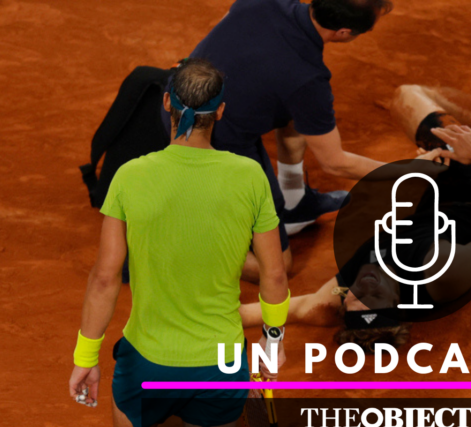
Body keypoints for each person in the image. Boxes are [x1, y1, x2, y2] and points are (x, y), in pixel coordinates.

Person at [68, 59, 291, 427]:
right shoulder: (248, 177)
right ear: (221, 113)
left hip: (144, 358)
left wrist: (86, 355)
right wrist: (272, 341)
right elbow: (274, 276)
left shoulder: (132, 177)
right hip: (218, 363)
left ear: (167, 105)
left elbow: (105, 277)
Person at [238, 81, 471, 350]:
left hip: (435, 201)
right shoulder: (442, 272)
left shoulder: (349, 291)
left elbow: (284, 310)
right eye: (373, 297)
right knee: (408, 97)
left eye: (354, 298)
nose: (362, 287)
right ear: (398, 301)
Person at [170, 0, 396, 281]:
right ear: (343, 32)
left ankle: (293, 200)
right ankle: (180, 237)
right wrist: (408, 172)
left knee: (295, 109)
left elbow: (229, 34)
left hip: (174, 99)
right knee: (275, 267)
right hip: (206, 144)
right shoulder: (308, 79)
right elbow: (335, 163)